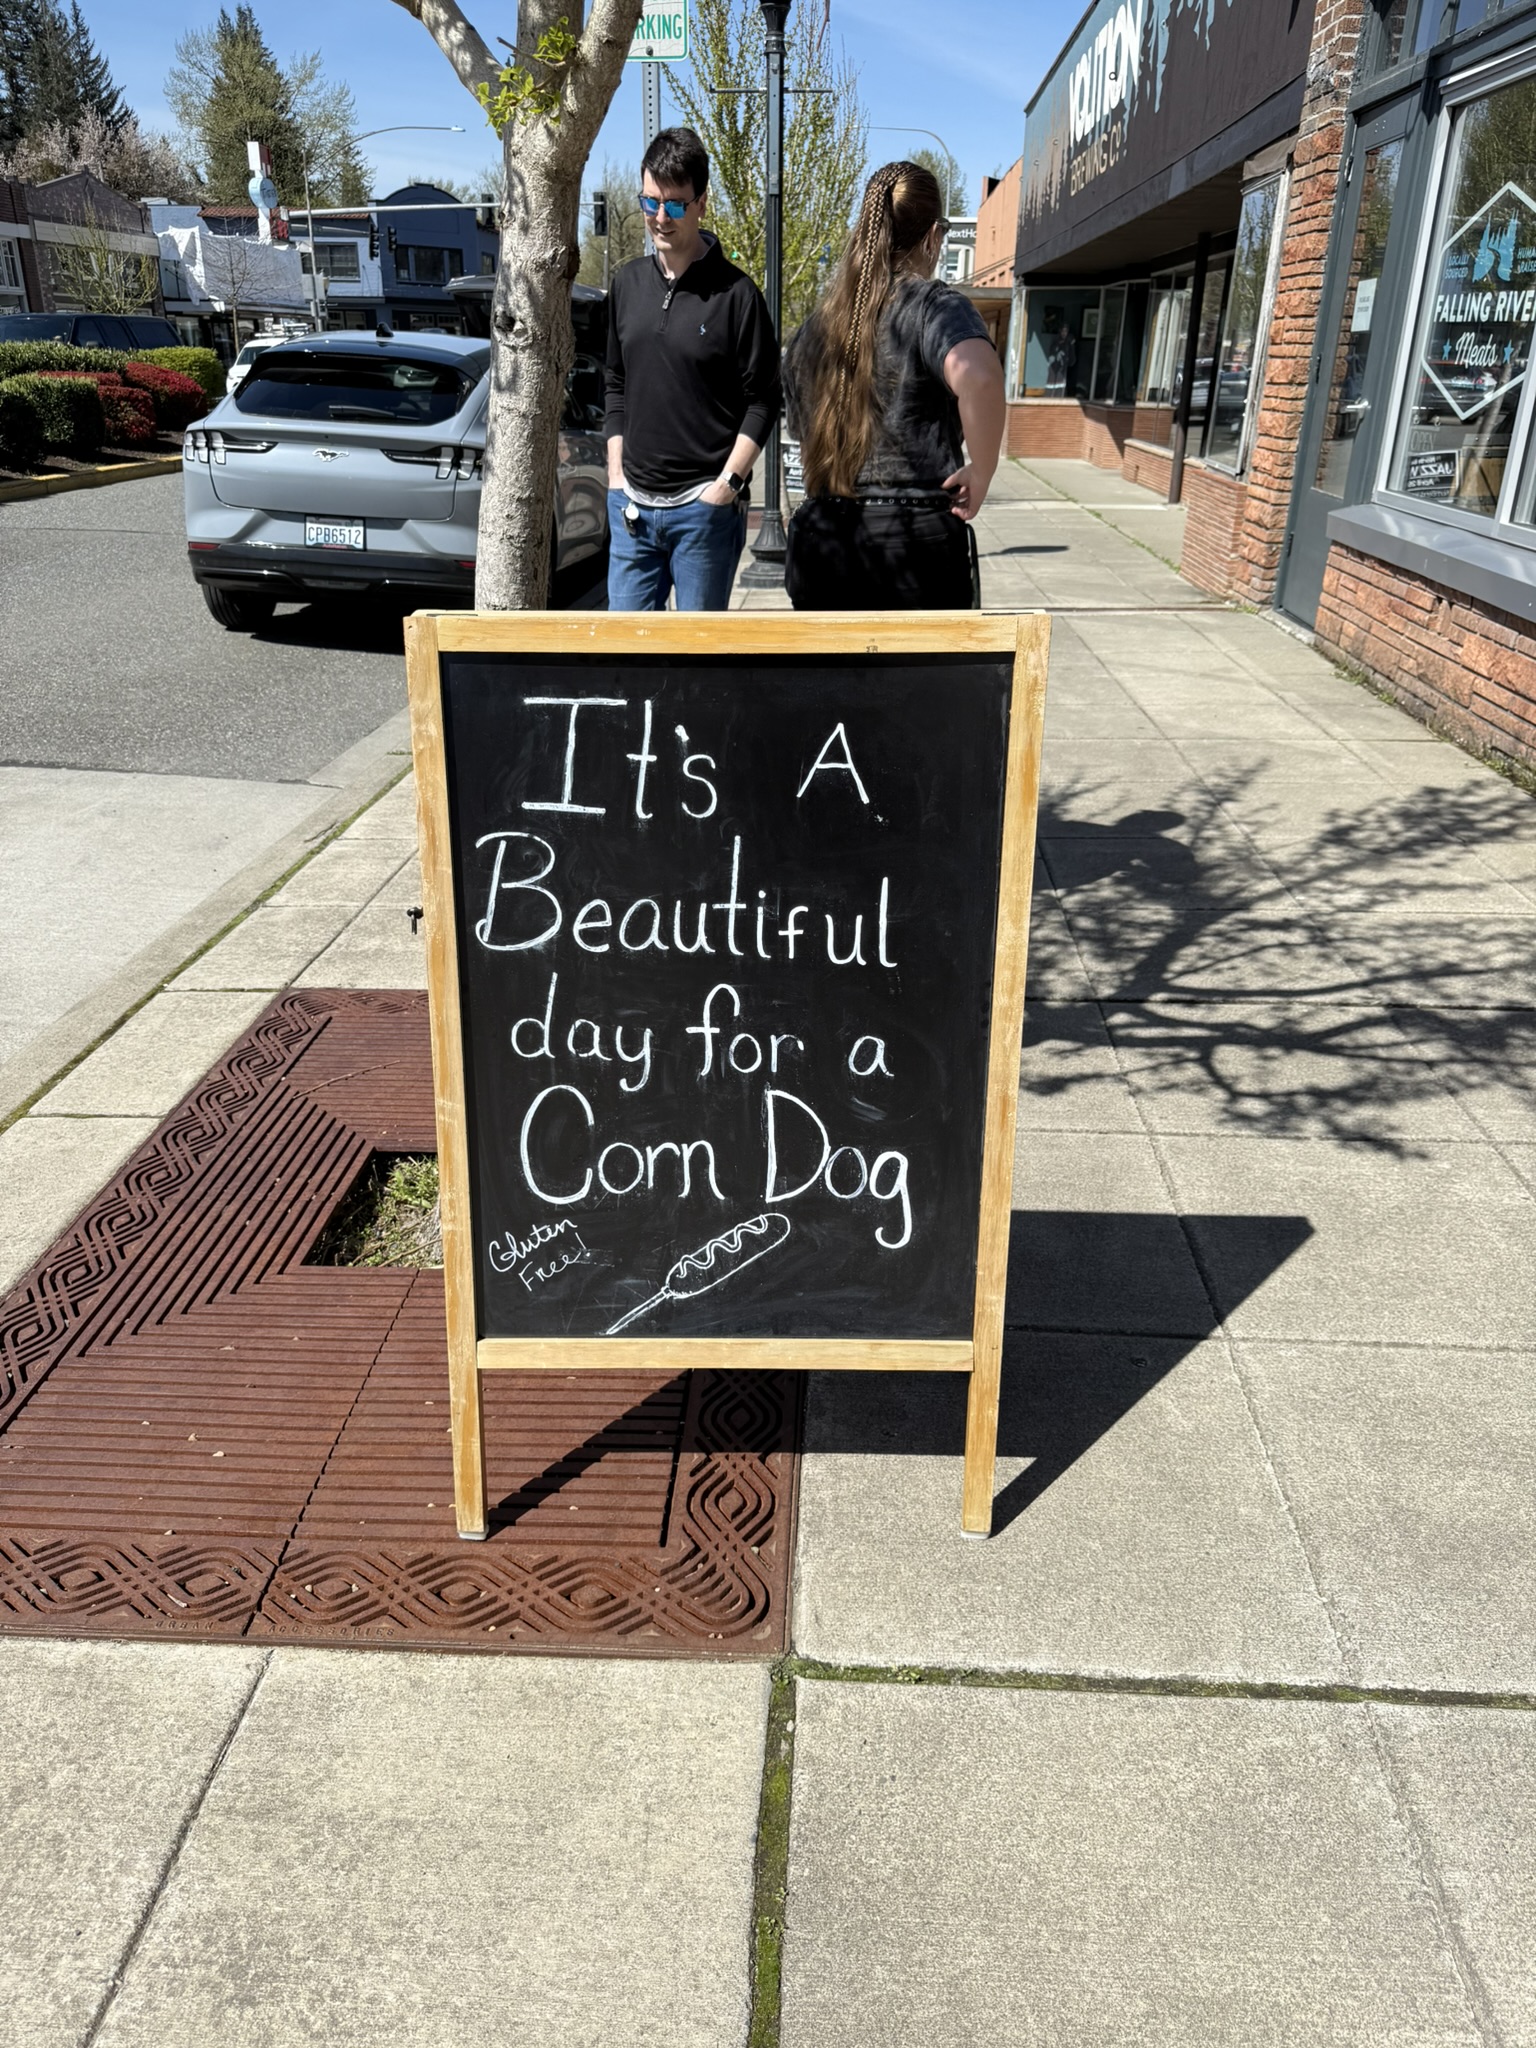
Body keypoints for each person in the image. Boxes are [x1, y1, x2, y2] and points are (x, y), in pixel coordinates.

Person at [782, 161, 1006, 610]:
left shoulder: (813, 329)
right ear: (932, 235)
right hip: (913, 546)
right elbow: (979, 377)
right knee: (917, 681)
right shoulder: (933, 308)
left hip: (824, 540)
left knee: (827, 681)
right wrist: (981, 471)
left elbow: (800, 427)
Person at [605, 126, 782, 611]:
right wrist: (615, 476)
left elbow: (764, 398)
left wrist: (728, 485)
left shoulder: (737, 296)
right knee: (626, 659)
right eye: (649, 202)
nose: (660, 218)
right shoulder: (627, 285)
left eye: (676, 205)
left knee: (697, 672)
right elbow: (616, 383)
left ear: (702, 202)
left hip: (704, 513)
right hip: (632, 509)